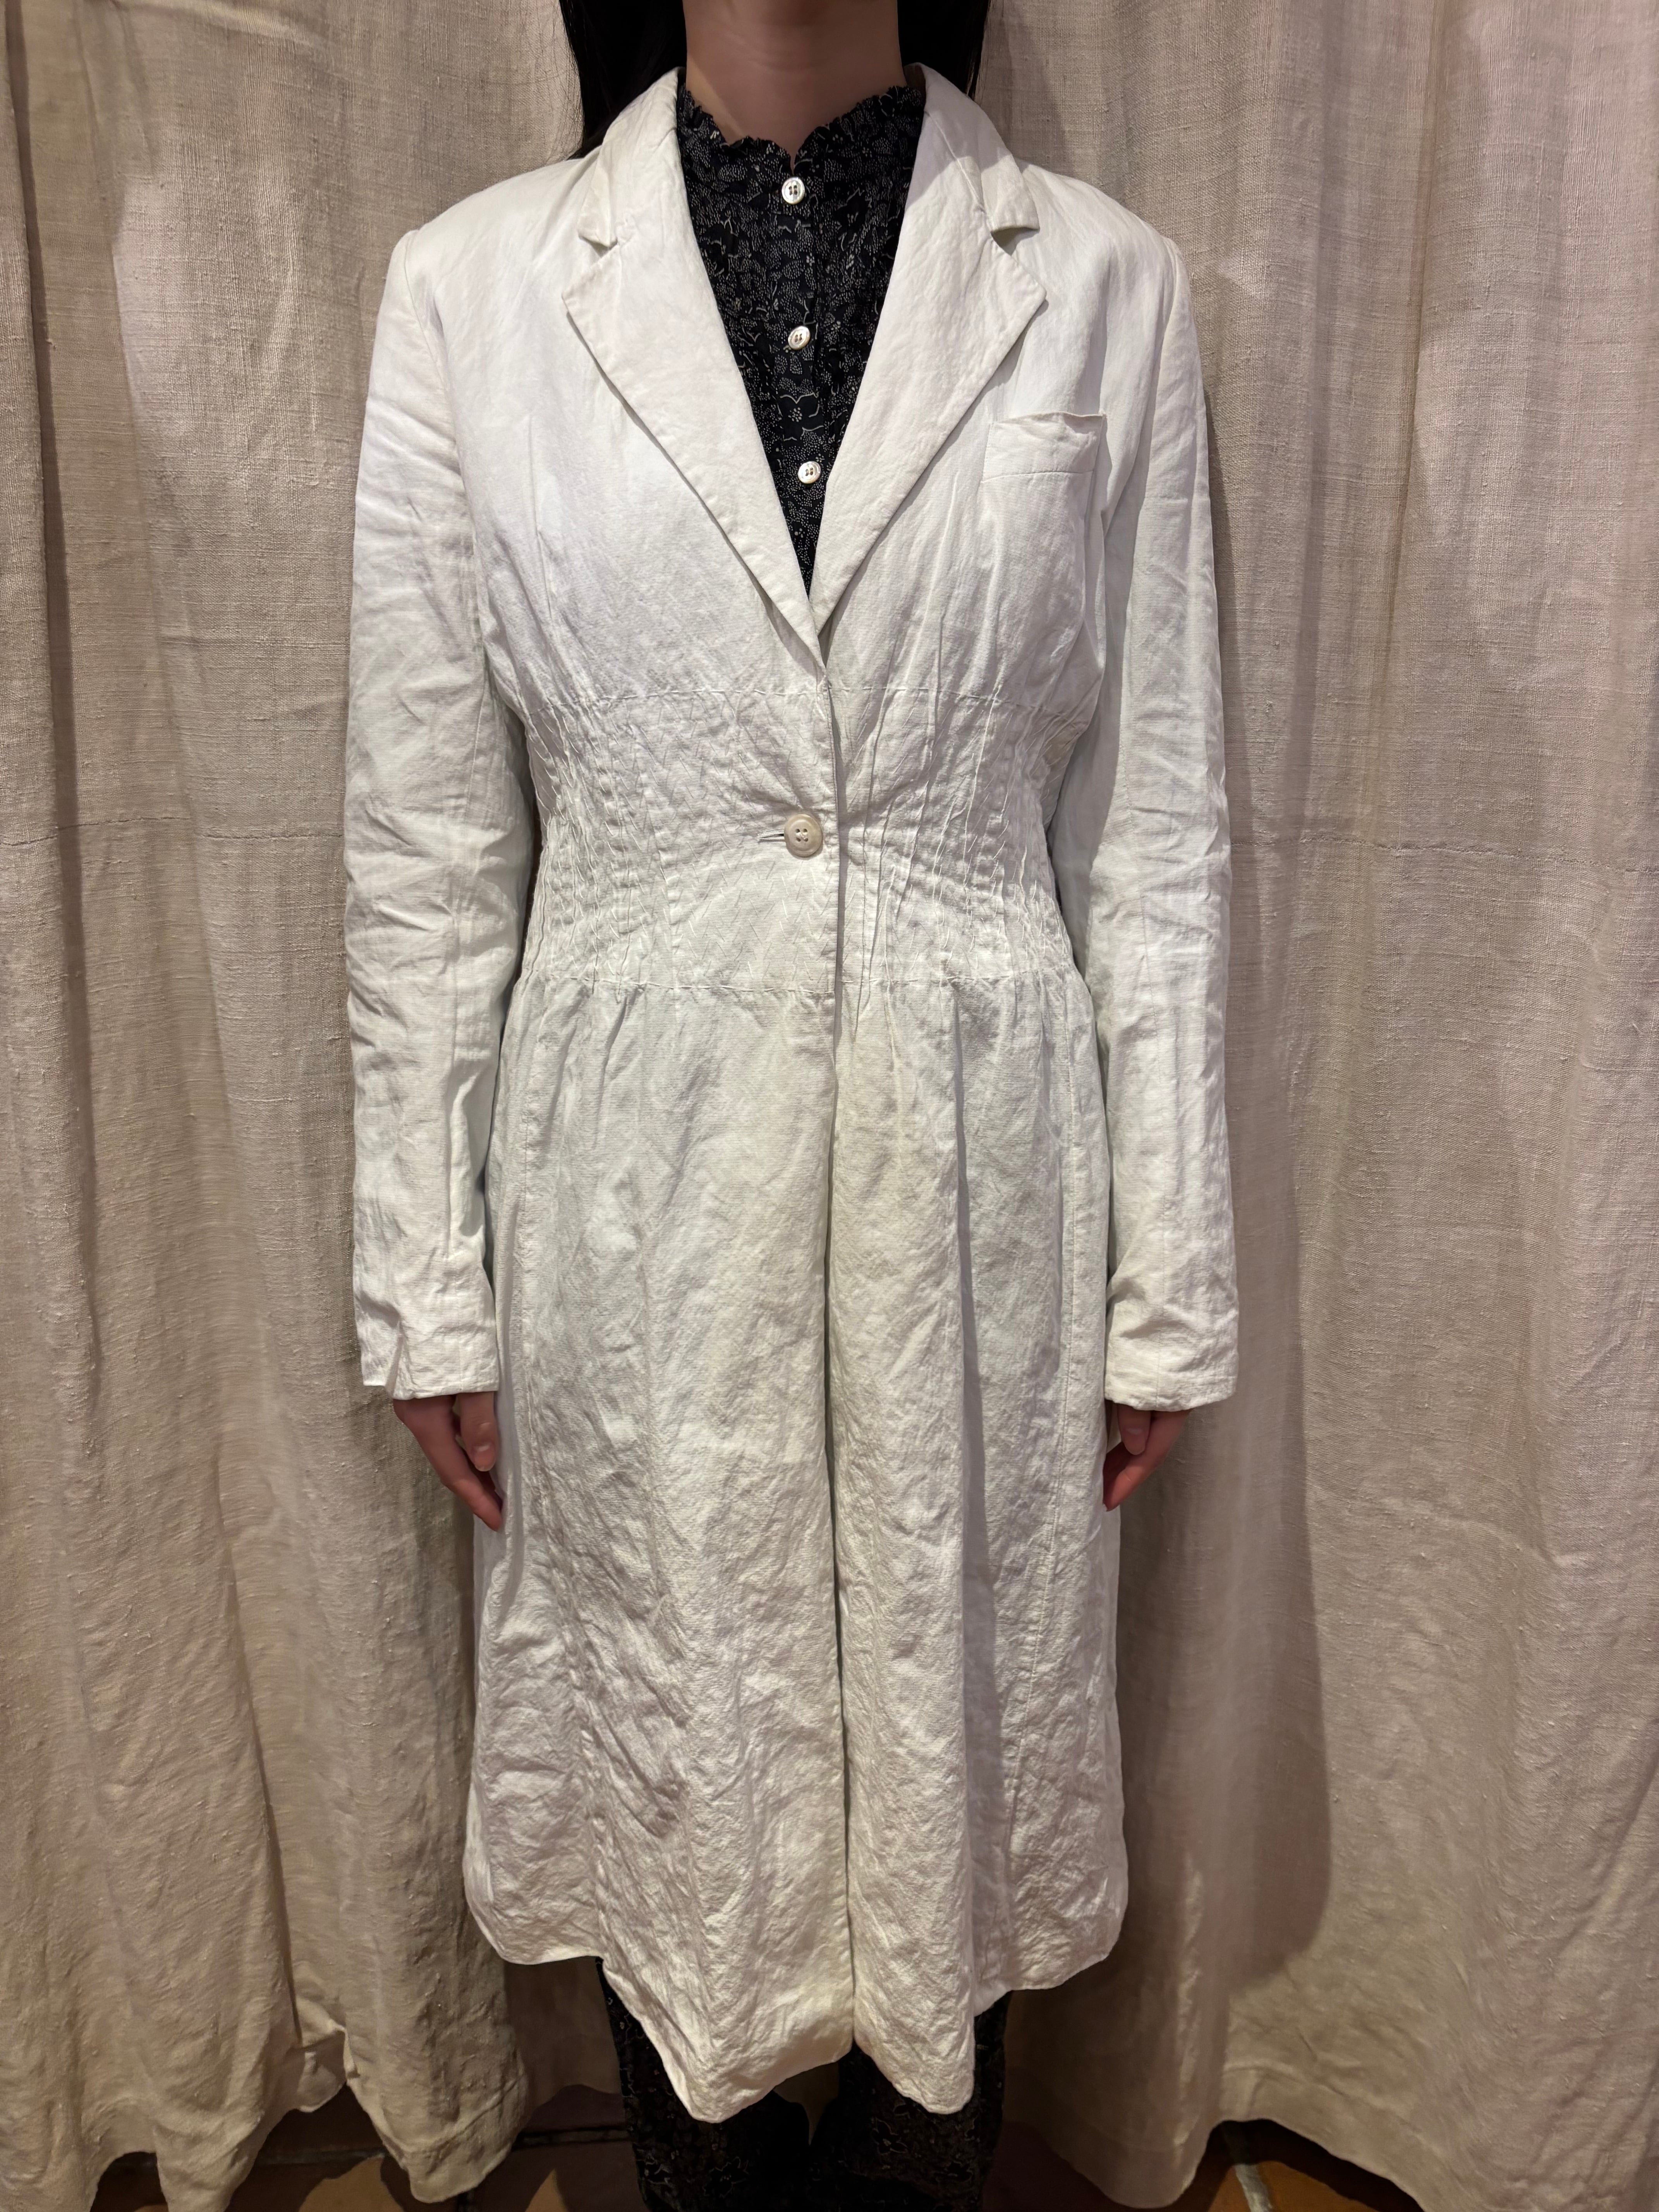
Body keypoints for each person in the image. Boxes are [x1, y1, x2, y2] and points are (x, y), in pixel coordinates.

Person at [342, 0, 1237, 2203]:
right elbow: (428, 850)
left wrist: (1166, 1286)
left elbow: (1156, 831)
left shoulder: (1102, 282)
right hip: (634, 1178)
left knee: (952, 1728)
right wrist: (427, 1281)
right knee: (689, 1754)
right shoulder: (472, 288)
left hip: (980, 1165)